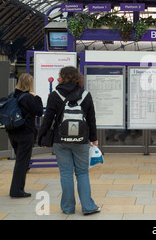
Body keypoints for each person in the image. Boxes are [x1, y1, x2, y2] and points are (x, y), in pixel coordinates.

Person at [38, 66, 100, 215]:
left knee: (66, 174)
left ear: (61, 77)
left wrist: (40, 136)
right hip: (81, 140)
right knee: (82, 173)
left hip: (61, 140)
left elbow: (48, 119)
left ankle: (67, 207)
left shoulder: (55, 95)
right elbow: (91, 119)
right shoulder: (85, 95)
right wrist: (94, 138)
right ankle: (88, 206)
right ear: (78, 77)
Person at [7, 73, 43, 198]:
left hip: (12, 133)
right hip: (25, 134)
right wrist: (37, 97)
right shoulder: (28, 97)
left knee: (19, 161)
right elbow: (38, 111)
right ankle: (16, 190)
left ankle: (16, 188)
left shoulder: (12, 95)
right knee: (22, 163)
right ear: (30, 84)